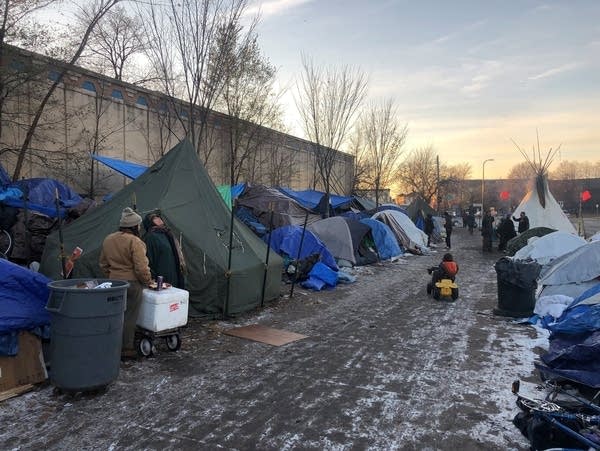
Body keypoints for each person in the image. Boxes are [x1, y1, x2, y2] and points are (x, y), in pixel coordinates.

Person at [100, 207, 152, 359]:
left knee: (115, 314)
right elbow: (141, 268)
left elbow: (103, 264)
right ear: (135, 226)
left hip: (113, 283)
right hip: (132, 284)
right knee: (129, 316)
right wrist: (148, 281)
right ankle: (126, 349)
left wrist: (112, 276)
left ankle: (110, 344)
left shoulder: (108, 239)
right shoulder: (135, 241)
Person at [143, 212, 186, 288]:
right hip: (161, 280)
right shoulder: (150, 237)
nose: (158, 219)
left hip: (174, 275)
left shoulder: (167, 233)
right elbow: (148, 261)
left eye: (158, 217)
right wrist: (154, 281)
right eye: (154, 218)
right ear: (150, 222)